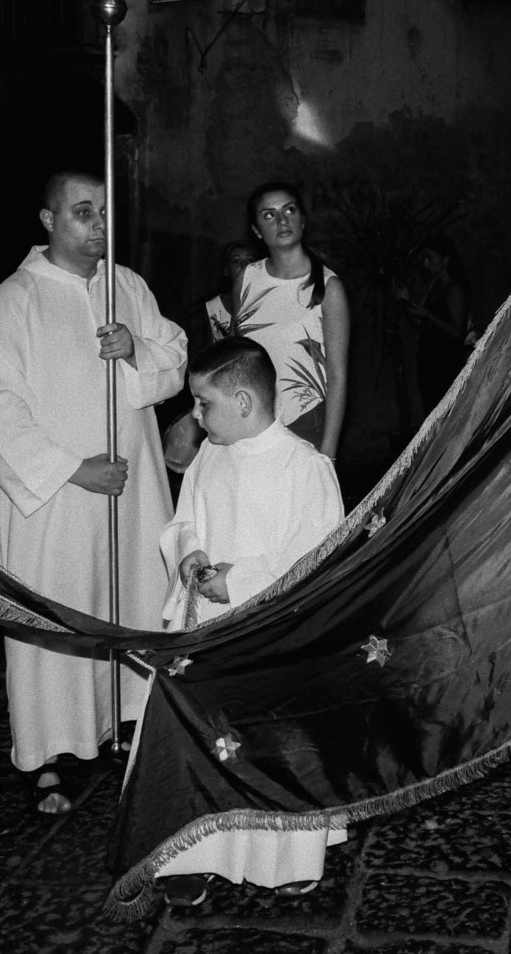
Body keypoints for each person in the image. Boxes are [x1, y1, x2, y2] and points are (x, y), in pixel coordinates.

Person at [0, 171, 188, 814]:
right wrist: (71, 468)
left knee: (134, 599)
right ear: (48, 220)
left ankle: (130, 725)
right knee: (59, 610)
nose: (98, 225)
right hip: (56, 498)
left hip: (133, 488)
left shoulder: (129, 286)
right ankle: (48, 753)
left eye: (104, 212)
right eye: (83, 212)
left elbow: (175, 359)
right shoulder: (13, 301)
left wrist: (136, 349)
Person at [152, 337, 346, 906]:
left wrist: (240, 580)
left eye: (203, 403)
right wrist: (188, 553)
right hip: (208, 631)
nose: (194, 415)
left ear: (242, 401)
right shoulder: (210, 456)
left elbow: (315, 559)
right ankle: (195, 853)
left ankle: (286, 857)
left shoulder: (305, 467)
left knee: (273, 743)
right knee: (201, 736)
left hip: (272, 636)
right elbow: (184, 521)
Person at [166, 185, 348, 470]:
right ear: (256, 230)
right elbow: (236, 359)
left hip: (306, 420)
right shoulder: (248, 278)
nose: (282, 221)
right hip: (253, 422)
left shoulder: (327, 288)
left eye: (289, 210)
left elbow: (337, 374)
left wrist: (328, 453)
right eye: (269, 215)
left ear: (302, 220)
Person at [402, 234, 472, 412]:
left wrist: (428, 316)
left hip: (446, 363)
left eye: (430, 258)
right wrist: (406, 300)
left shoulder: (454, 290)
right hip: (430, 362)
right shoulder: (434, 287)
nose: (426, 264)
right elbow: (421, 323)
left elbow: (457, 332)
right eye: (424, 259)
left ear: (445, 260)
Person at [202, 238, 264, 343]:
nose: (244, 265)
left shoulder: (267, 301)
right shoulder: (210, 308)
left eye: (250, 261)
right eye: (236, 261)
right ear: (226, 270)